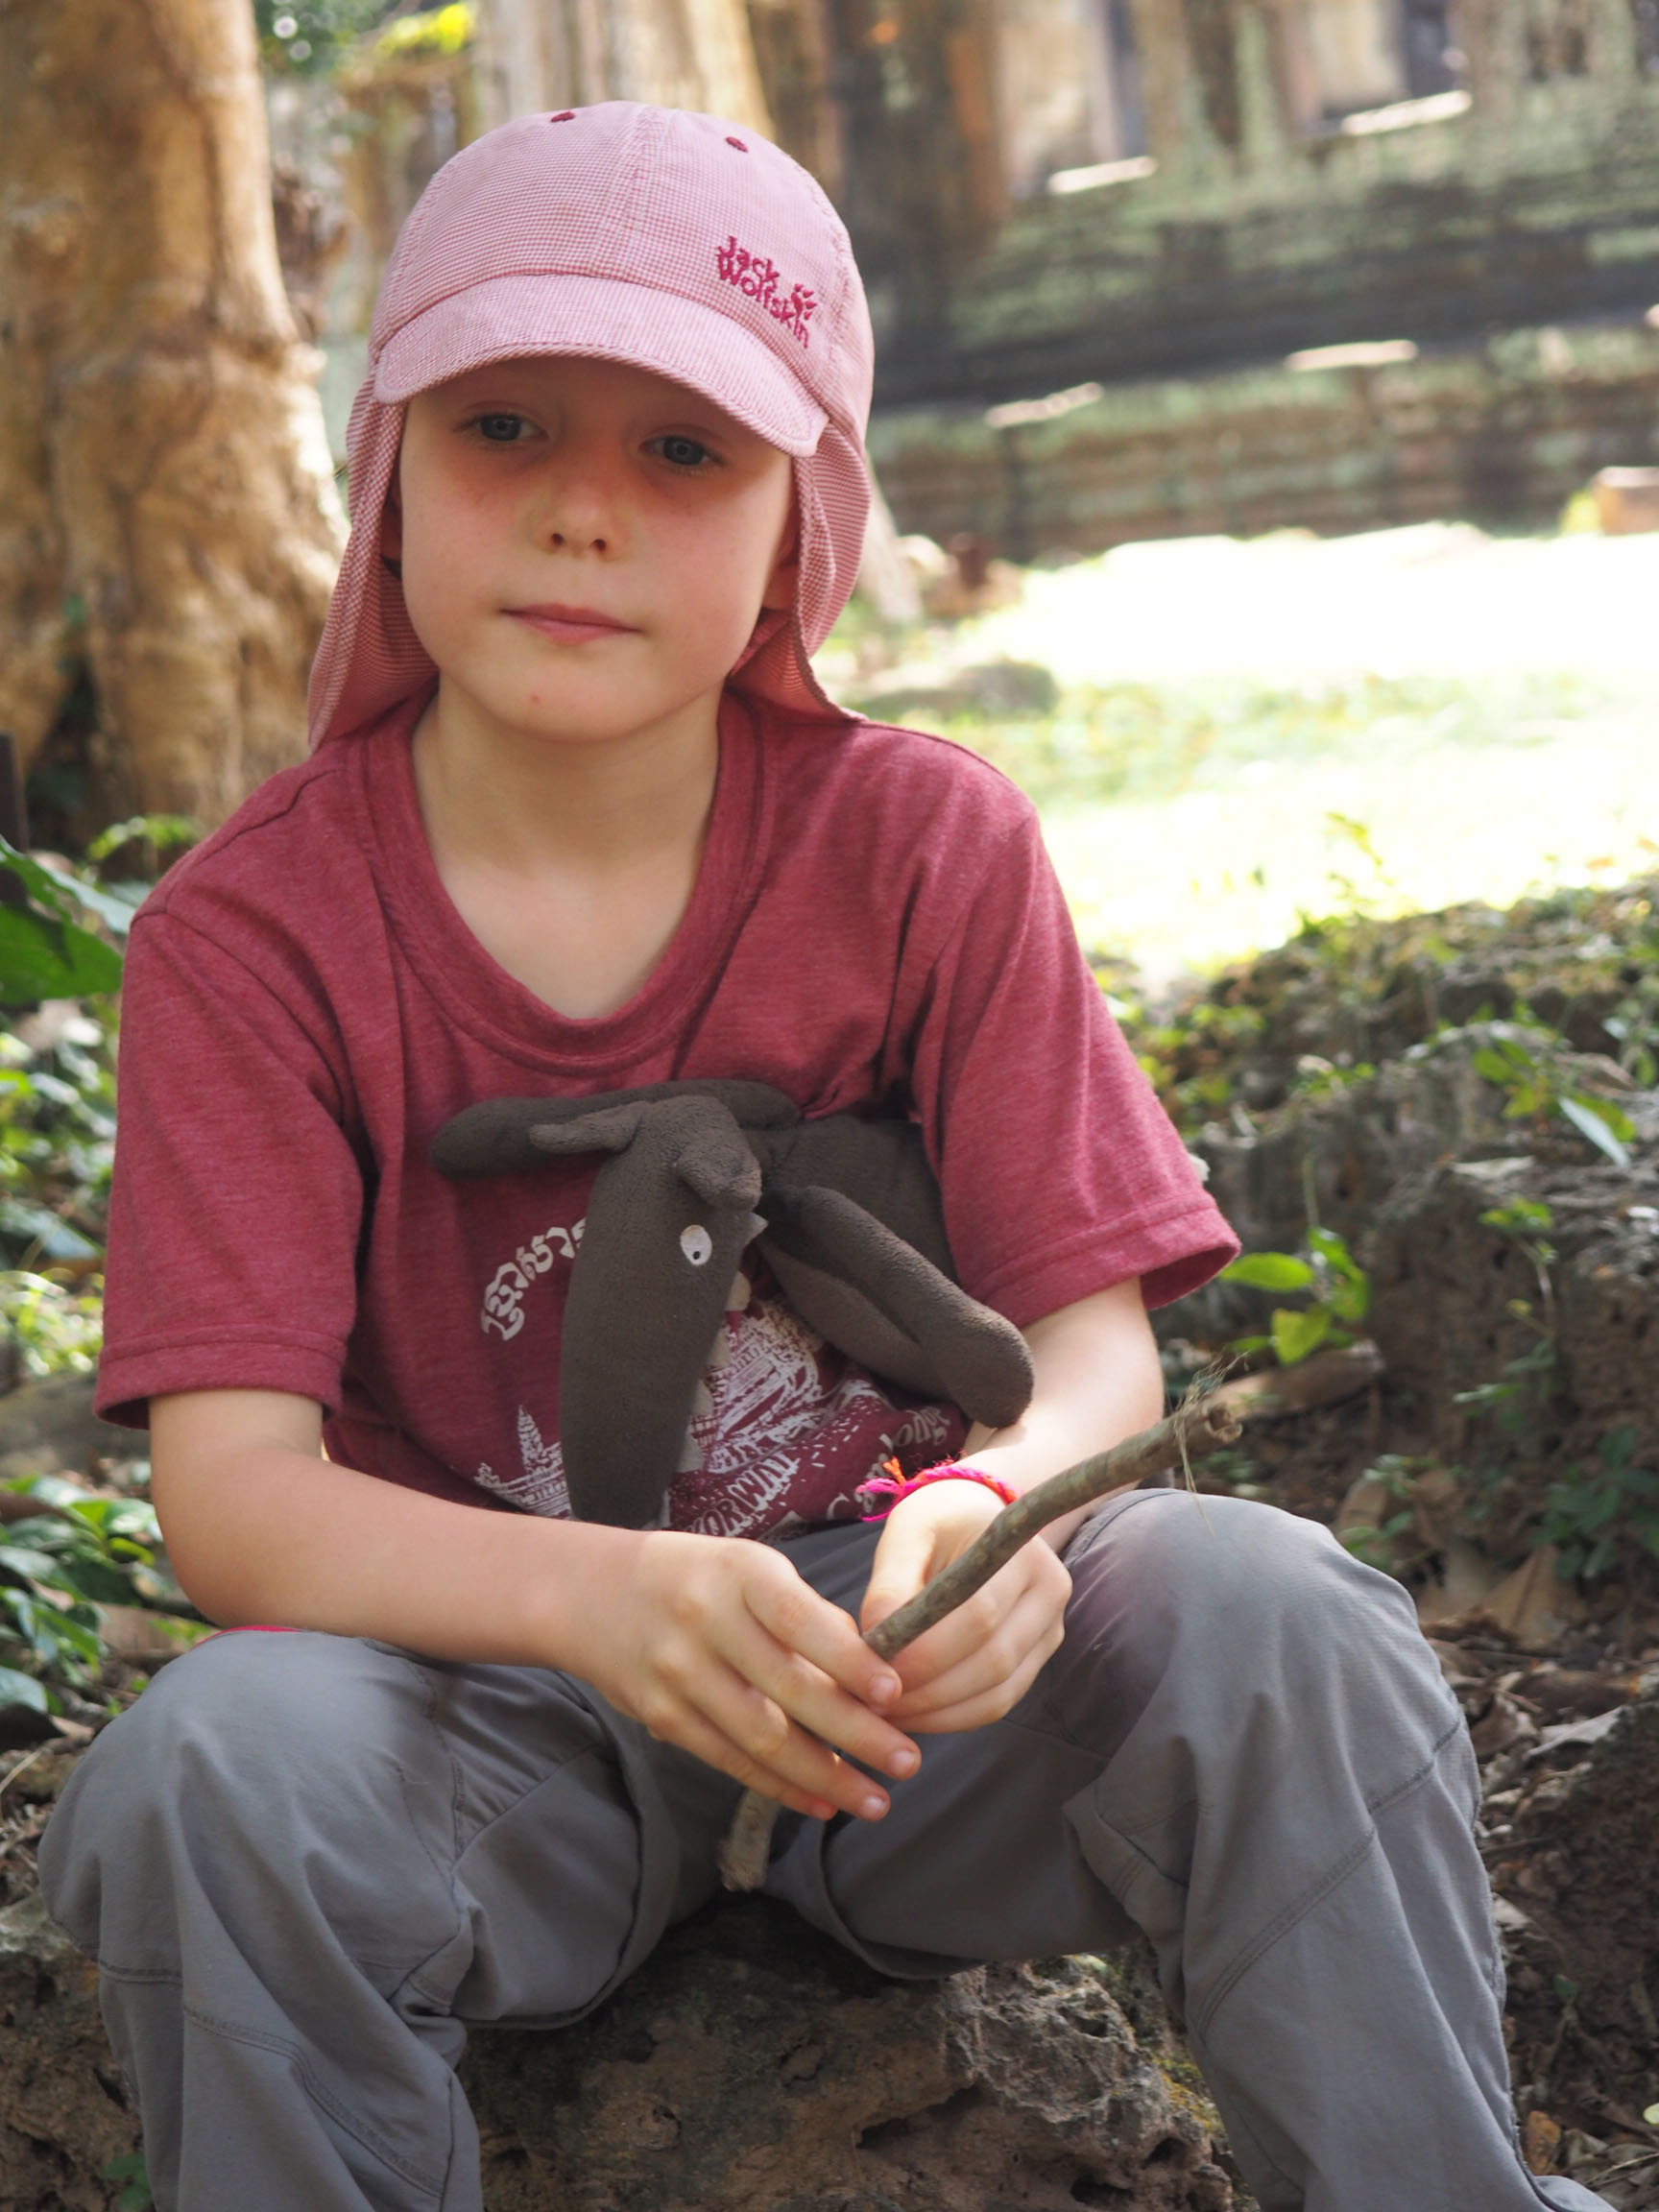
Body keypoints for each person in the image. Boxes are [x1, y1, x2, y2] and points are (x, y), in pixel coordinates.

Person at [38, 104, 1607, 2212]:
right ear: (383, 459)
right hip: (484, 1714)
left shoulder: (925, 846)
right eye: (504, 425)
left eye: (685, 448)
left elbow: (1096, 1351)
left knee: (1276, 1615)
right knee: (214, 1772)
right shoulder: (257, 937)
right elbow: (238, 1503)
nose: (581, 509)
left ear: (810, 517)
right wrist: (602, 1607)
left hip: (911, 1690)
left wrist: (987, 1513)